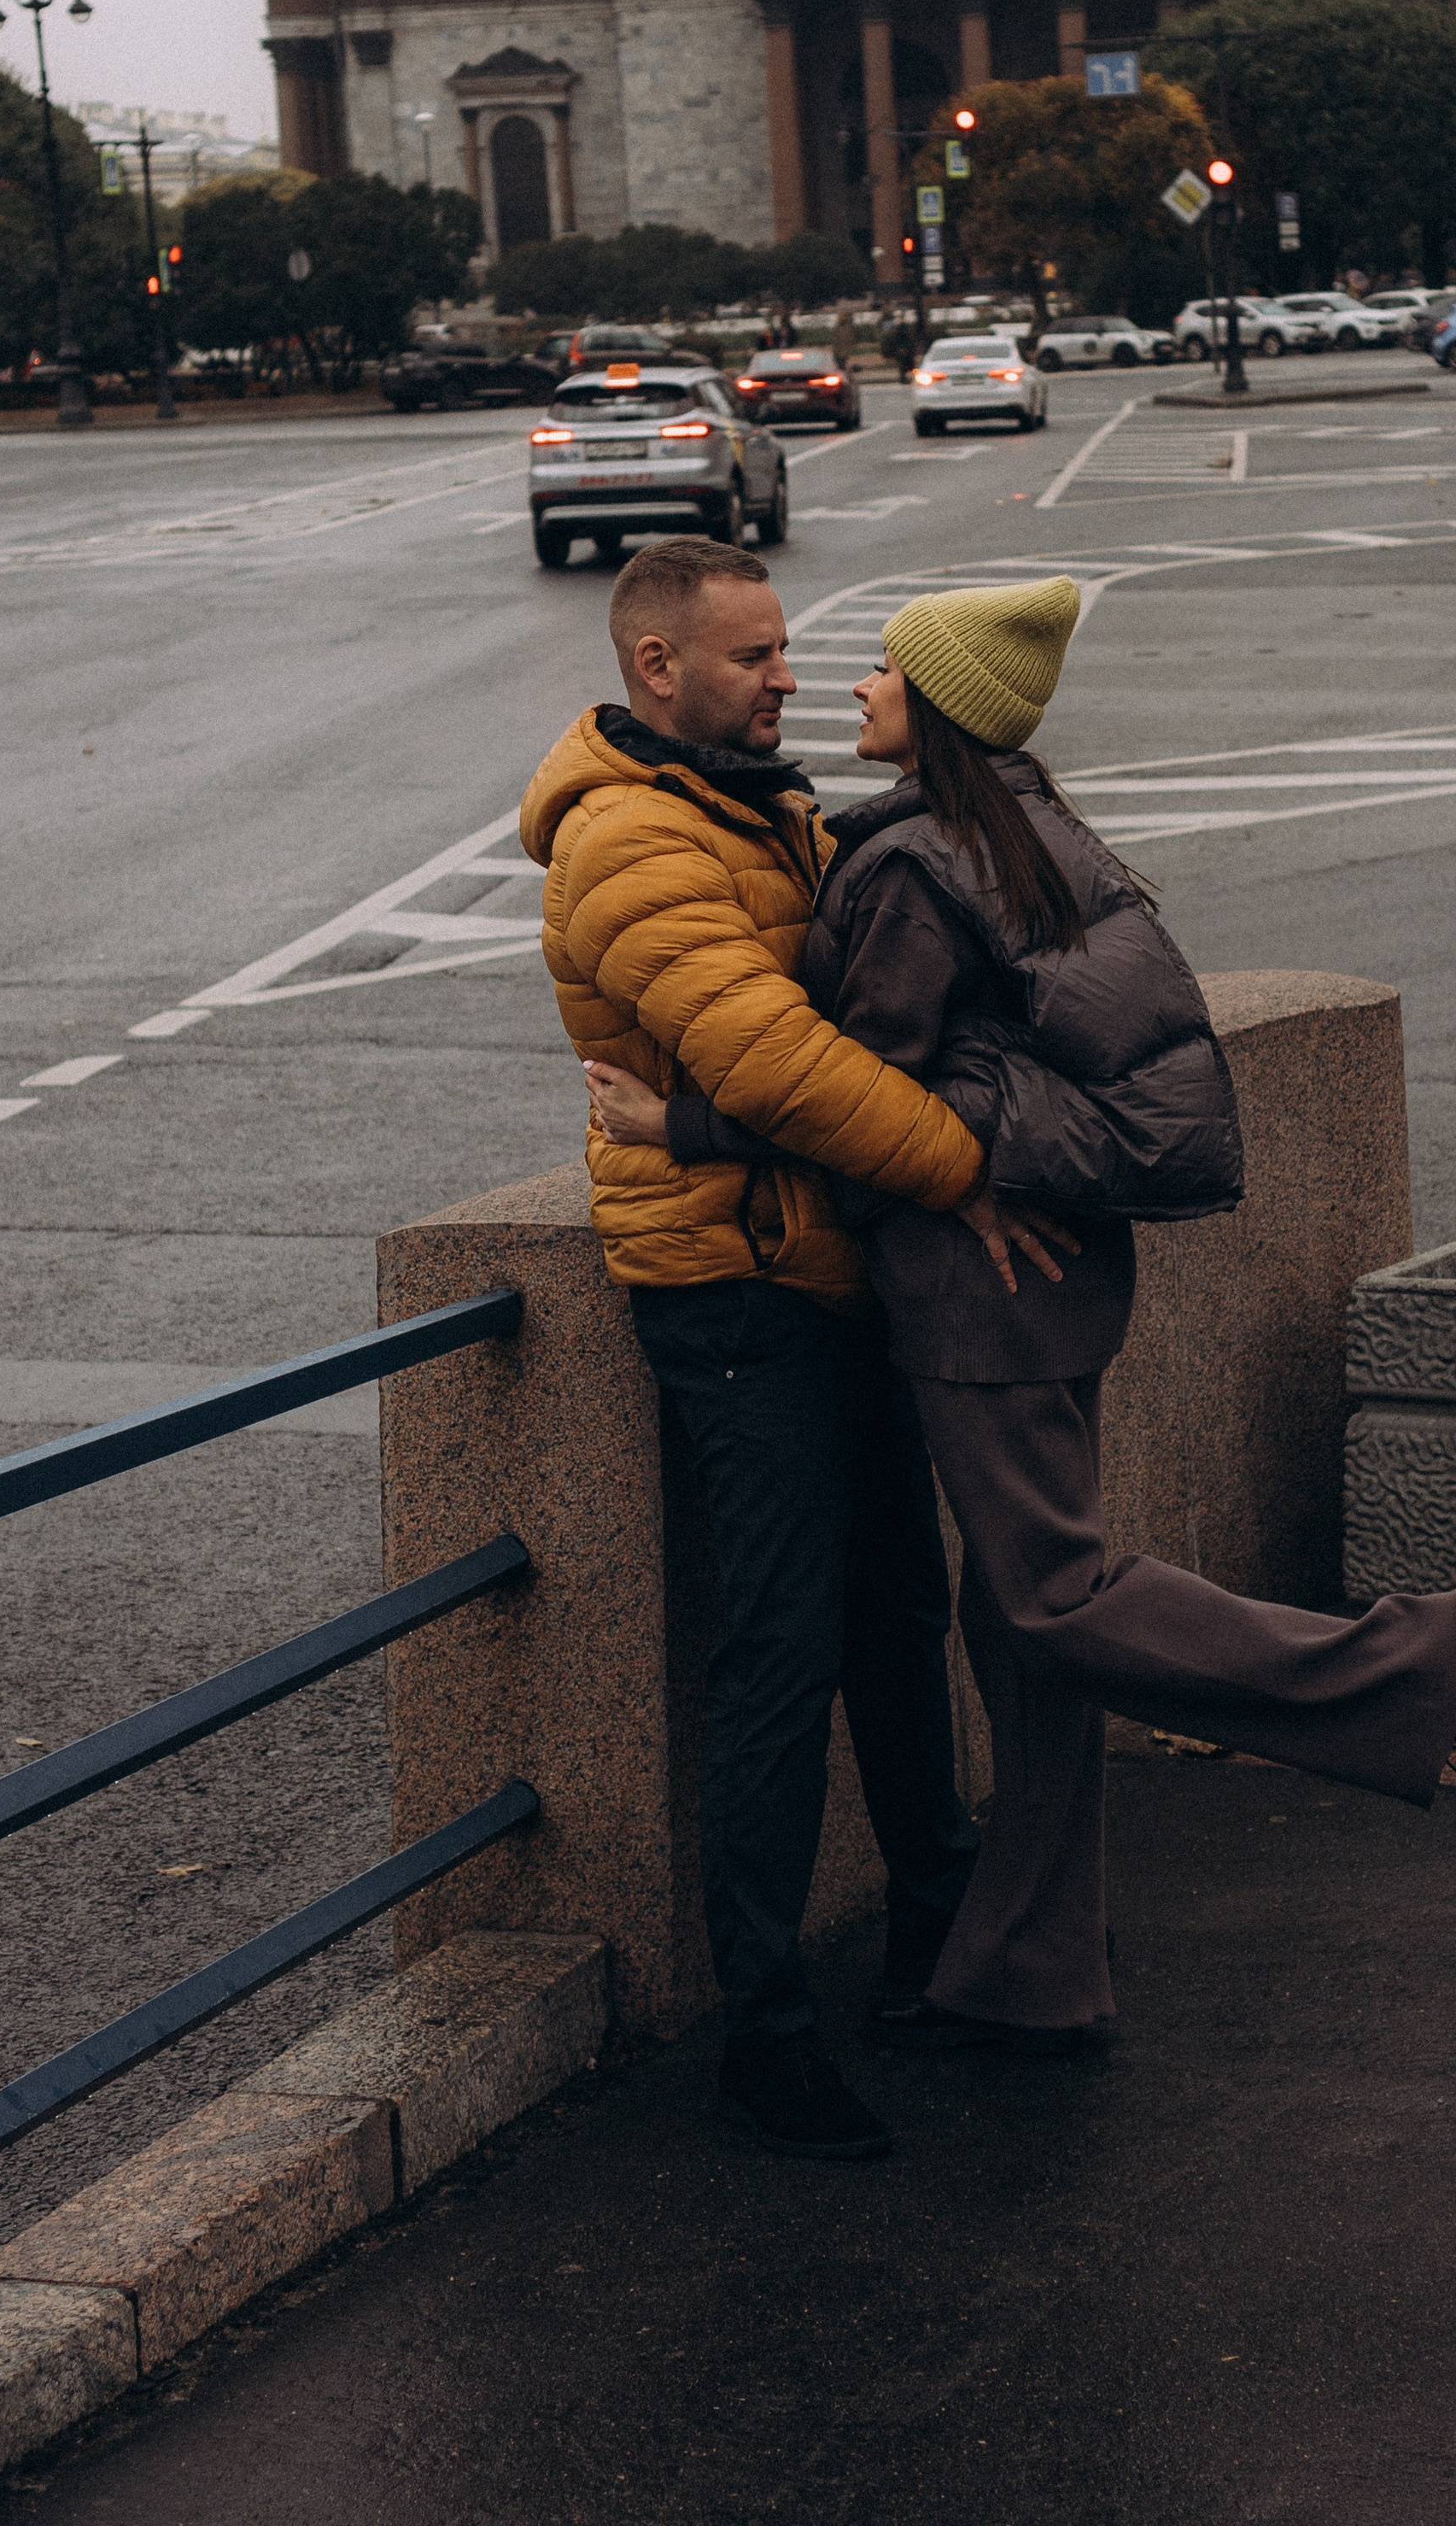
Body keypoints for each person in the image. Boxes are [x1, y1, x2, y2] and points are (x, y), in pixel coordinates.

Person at [590, 578, 1456, 2060]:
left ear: (944, 708)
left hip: (982, 1297)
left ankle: (1417, 1668)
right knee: (1020, 1630)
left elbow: (862, 1098)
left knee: (1051, 1597)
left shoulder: (910, 869)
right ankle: (1029, 1966)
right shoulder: (1023, 828)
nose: (845, 686)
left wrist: (683, 1127)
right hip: (1054, 1283)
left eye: (885, 671)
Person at [521, 539, 1061, 2162]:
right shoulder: (626, 842)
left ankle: (941, 1944)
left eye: (786, 651)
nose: (788, 680)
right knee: (778, 1652)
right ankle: (764, 2035)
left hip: (827, 1270)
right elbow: (784, 1064)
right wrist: (966, 1177)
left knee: (897, 1617)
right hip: (738, 1298)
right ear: (658, 671)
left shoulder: (760, 805)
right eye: (754, 657)